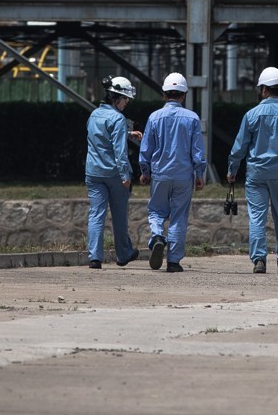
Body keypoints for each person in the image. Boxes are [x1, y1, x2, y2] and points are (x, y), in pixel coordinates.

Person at [227, 66, 278, 274]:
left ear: (263, 89)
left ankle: (259, 260)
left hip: (257, 173)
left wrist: (232, 169)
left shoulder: (251, 115)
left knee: (257, 216)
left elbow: (239, 146)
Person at [139, 71, 207, 273]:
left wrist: (145, 170)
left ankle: (158, 236)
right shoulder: (192, 118)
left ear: (164, 94)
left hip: (160, 173)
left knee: (156, 211)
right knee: (179, 216)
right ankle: (174, 261)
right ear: (183, 95)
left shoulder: (154, 117)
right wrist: (200, 173)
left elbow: (146, 149)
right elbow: (197, 150)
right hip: (184, 176)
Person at [84, 75, 142, 269]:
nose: (127, 103)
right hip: (114, 175)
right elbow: (119, 150)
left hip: (93, 172)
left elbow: (101, 137)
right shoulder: (118, 118)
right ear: (116, 97)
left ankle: (94, 257)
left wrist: (127, 133)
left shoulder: (94, 115)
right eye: (125, 99)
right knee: (119, 215)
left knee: (96, 215)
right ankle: (124, 253)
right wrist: (125, 175)